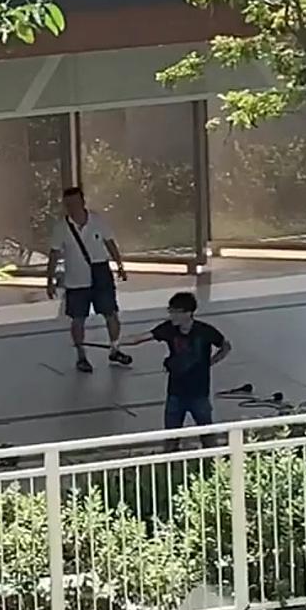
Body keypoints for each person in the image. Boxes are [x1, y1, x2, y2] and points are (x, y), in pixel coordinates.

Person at [117, 292, 231, 448]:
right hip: (175, 393)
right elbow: (141, 338)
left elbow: (225, 346)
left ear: (188, 313)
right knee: (171, 436)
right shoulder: (168, 329)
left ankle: (212, 463)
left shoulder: (205, 331)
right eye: (171, 311)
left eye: (176, 312)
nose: (172, 316)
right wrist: (118, 342)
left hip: (199, 393)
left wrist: (211, 362)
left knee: (207, 434)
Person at [46, 187, 132, 373]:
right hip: (75, 279)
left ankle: (115, 348)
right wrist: (50, 280)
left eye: (76, 203)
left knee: (111, 312)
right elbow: (53, 254)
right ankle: (81, 356)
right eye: (68, 204)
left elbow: (110, 242)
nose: (72, 207)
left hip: (100, 272)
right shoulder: (61, 227)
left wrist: (119, 265)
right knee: (78, 318)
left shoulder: (97, 220)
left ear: (83, 202)